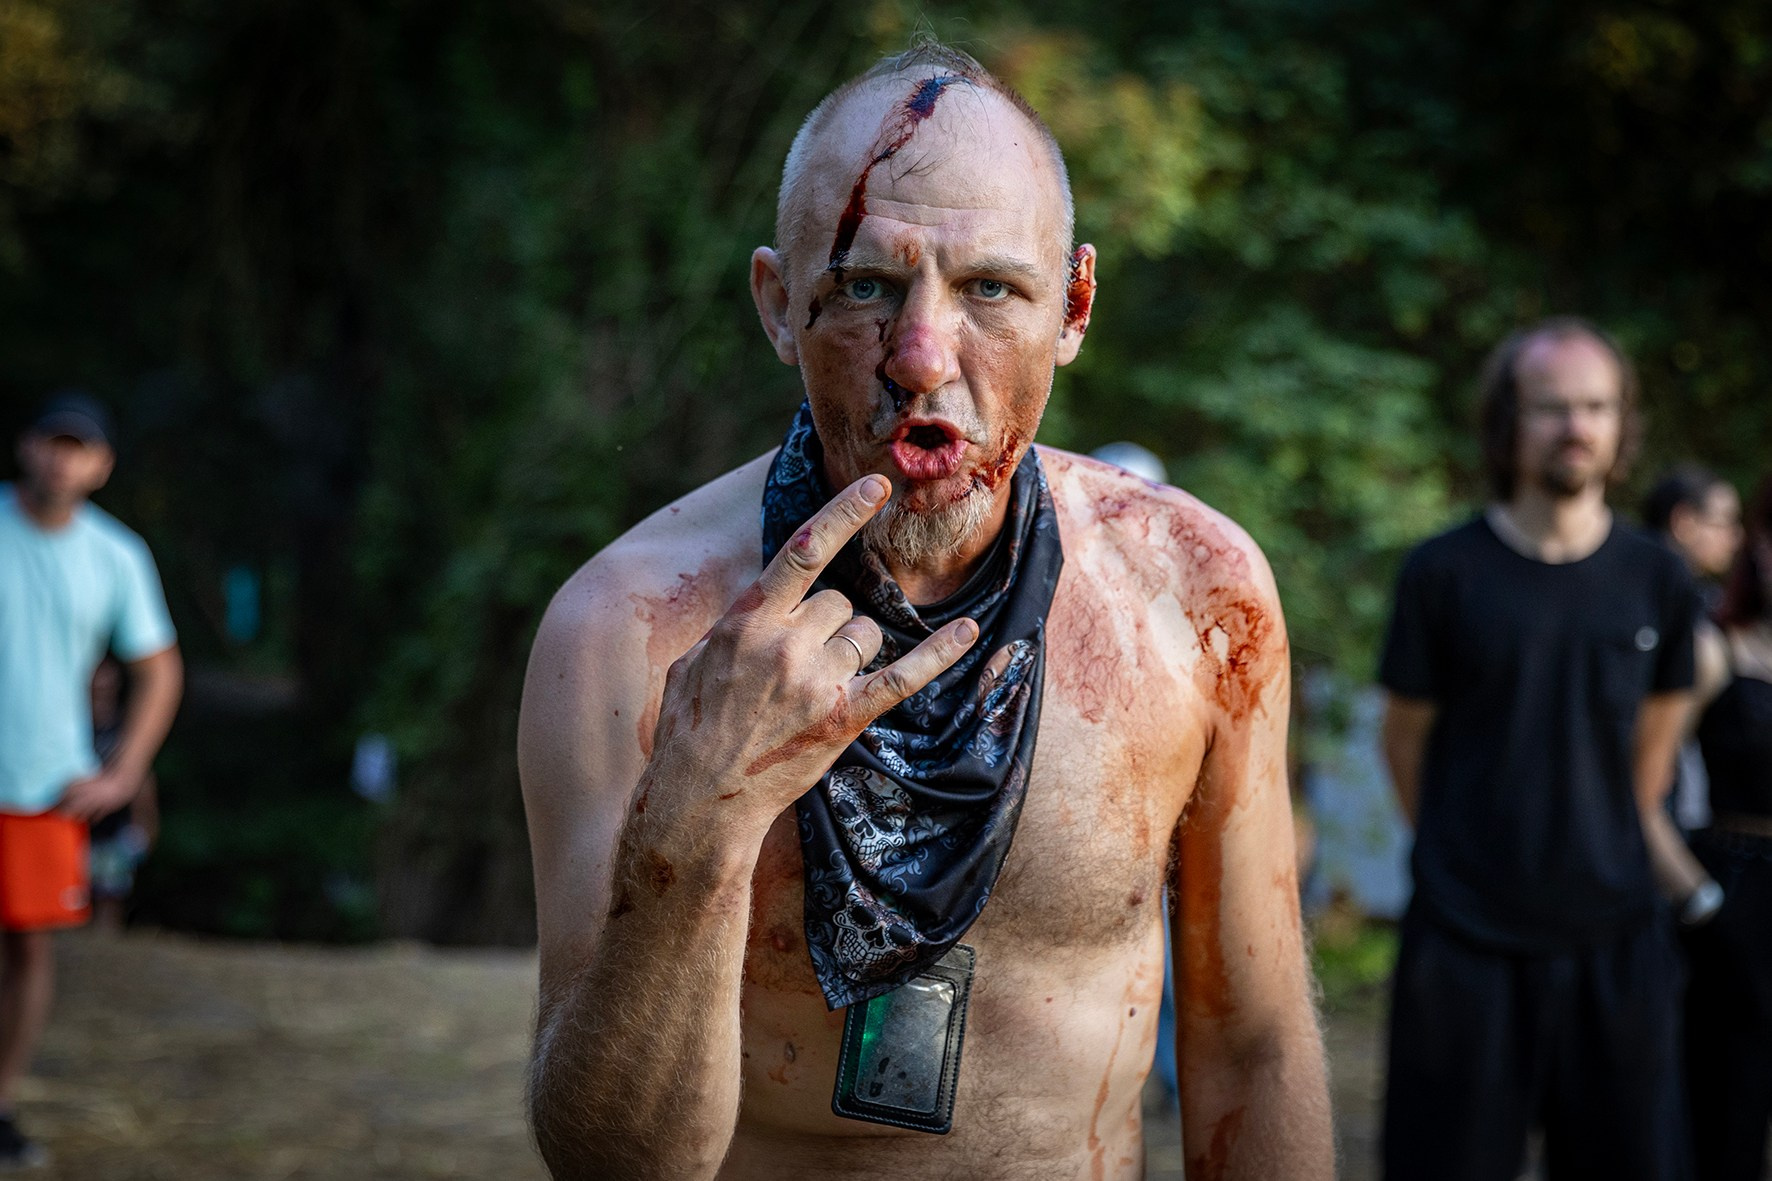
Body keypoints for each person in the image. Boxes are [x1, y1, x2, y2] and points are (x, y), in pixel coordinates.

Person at [518, 42, 1331, 1181]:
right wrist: (693, 829)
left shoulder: (1194, 594)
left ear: (1074, 306)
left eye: (991, 289)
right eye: (865, 286)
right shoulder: (627, 634)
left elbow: (1253, 1047)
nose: (921, 358)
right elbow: (613, 1161)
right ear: (777, 304)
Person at [1377, 318, 1708, 1181]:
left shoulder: (1659, 579)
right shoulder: (1442, 572)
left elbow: (1651, 766)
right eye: (1552, 407)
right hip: (1465, 941)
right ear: (1507, 421)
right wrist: (1464, 859)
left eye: (1596, 407)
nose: (1576, 426)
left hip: (1617, 940)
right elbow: (1404, 744)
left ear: (1621, 424)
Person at [0, 393, 182, 1167]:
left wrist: (124, 772)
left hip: (47, 786)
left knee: (29, 951)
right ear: (26, 445)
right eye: (52, 441)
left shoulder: (116, 555)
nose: (62, 459)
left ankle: (1, 1101)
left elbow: (159, 668)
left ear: (101, 465)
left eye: (79, 447)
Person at [1683, 474, 1772, 1181]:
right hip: (1737, 894)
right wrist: (1698, 896)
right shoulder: (1715, 647)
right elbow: (1636, 785)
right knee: (1729, 1115)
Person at [1643, 465, 1743, 831]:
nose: (1736, 537)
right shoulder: (1642, 605)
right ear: (1683, 522)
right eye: (1725, 522)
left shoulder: (1705, 603)